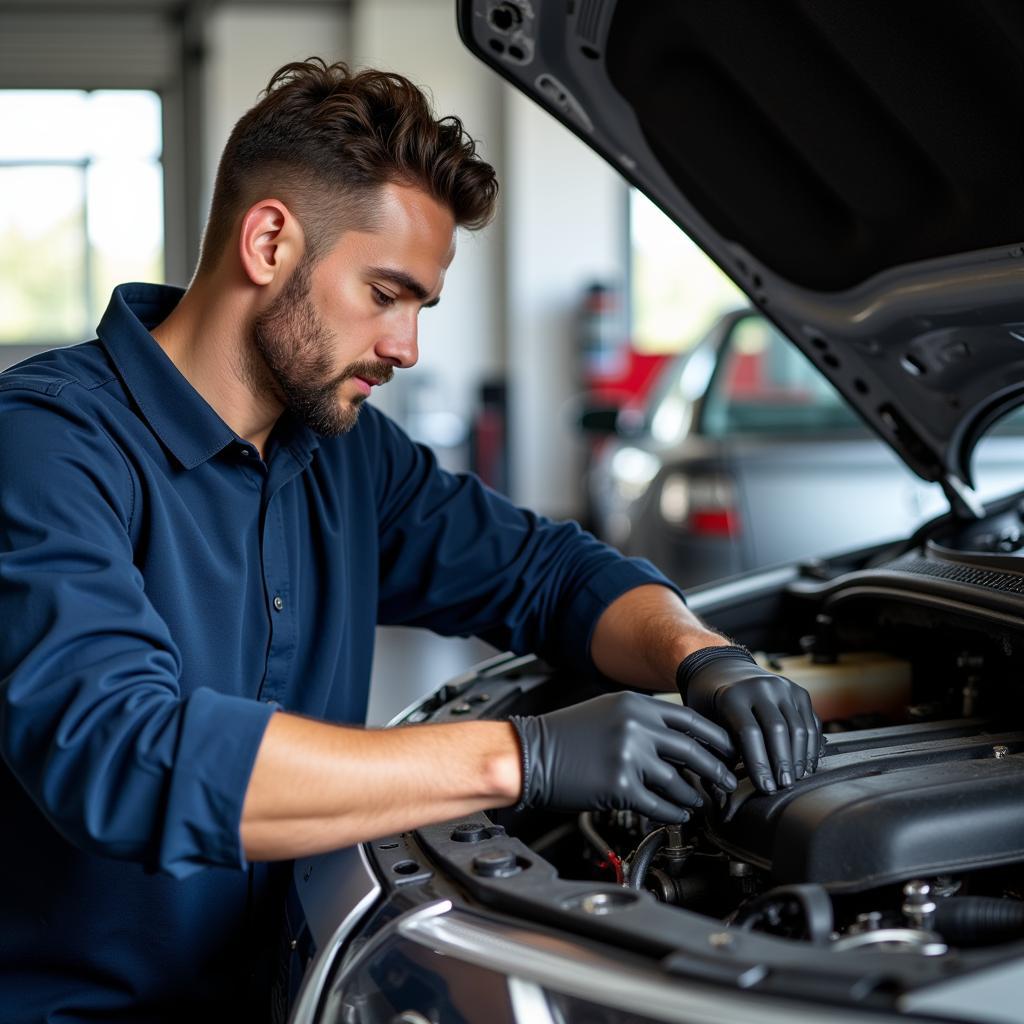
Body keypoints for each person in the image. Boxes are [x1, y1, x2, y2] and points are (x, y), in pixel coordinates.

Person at [0, 59, 820, 1021]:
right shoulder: (46, 445)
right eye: (386, 292)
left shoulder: (348, 456)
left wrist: (703, 657)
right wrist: (523, 756)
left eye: (419, 305)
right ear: (269, 241)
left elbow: (551, 572)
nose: (407, 346)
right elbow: (127, 757)